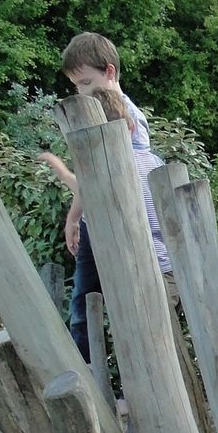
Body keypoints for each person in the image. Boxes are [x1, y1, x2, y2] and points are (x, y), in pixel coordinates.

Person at [55, 33, 151, 360]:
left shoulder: (129, 120)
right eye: (76, 86)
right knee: (82, 307)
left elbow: (130, 177)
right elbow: (90, 175)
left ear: (109, 72)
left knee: (128, 309)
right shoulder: (93, 116)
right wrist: (75, 217)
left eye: (86, 82)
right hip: (96, 226)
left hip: (120, 228)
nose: (81, 93)